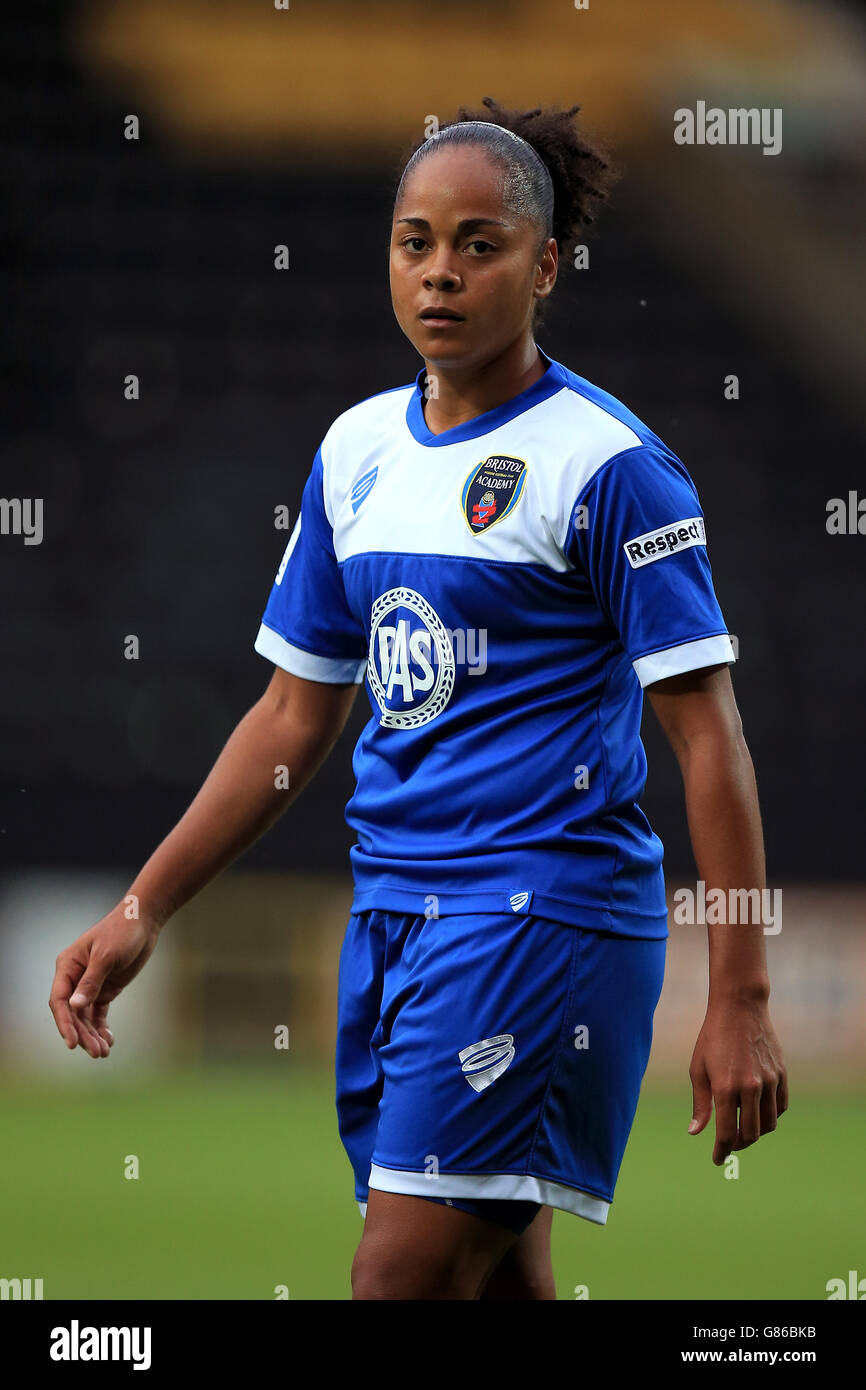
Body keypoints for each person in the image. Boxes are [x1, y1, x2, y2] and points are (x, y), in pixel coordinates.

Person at [49, 98, 788, 1301]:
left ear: (544, 265)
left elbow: (710, 739)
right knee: (491, 1284)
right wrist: (145, 904)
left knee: (395, 1278)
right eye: (414, 241)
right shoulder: (353, 455)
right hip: (396, 917)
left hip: (539, 913)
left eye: (477, 244)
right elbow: (291, 719)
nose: (440, 272)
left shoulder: (608, 468)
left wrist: (742, 996)